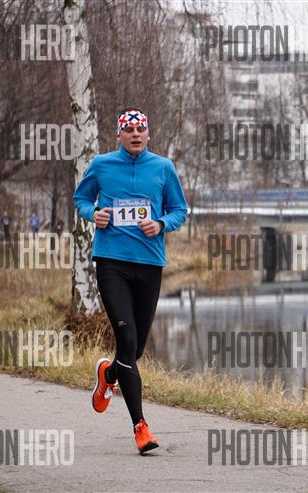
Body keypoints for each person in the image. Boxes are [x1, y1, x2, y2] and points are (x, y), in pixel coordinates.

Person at [73, 107, 187, 454]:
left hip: (149, 264)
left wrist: (161, 224)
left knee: (134, 350)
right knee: (126, 337)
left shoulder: (163, 168)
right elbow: (81, 198)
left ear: (148, 134)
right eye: (129, 130)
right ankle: (140, 427)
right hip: (112, 263)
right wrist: (94, 213)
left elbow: (179, 210)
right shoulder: (102, 165)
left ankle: (108, 376)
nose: (136, 134)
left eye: (141, 129)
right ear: (119, 135)